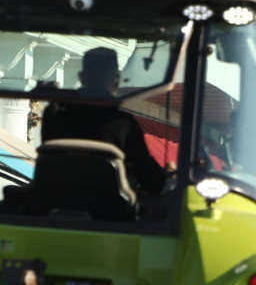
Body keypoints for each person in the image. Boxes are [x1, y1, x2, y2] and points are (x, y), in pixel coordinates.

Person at [40, 46, 167, 198]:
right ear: (116, 79)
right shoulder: (123, 123)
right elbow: (151, 180)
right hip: (109, 212)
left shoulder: (54, 113)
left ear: (81, 77)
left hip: (52, 200)